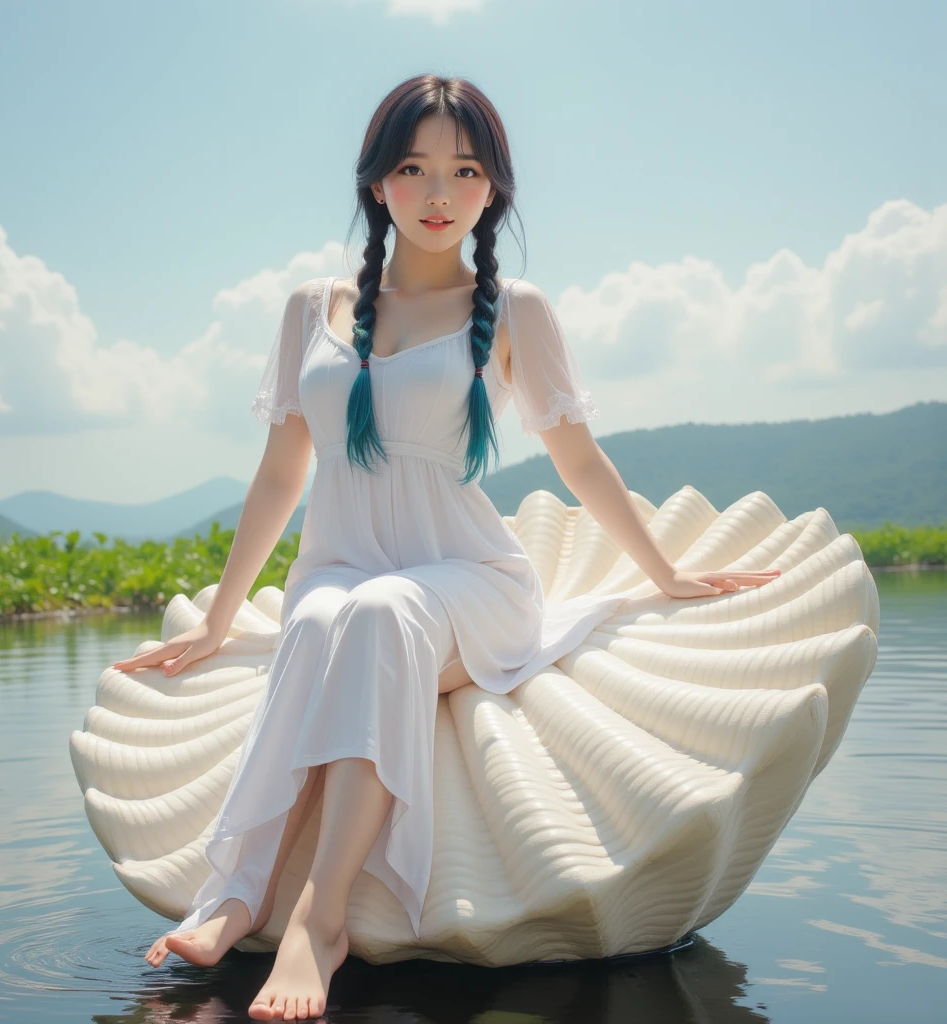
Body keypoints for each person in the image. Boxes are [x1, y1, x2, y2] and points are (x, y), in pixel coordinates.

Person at [111, 74, 781, 1022]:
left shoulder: (516, 312)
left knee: (382, 612)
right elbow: (278, 476)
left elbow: (580, 463)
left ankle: (319, 919)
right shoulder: (316, 308)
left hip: (469, 584)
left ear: (493, 189)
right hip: (338, 569)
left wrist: (664, 573)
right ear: (375, 183)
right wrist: (222, 617)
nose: (439, 194)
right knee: (321, 617)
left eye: (466, 171)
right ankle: (232, 893)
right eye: (414, 168)